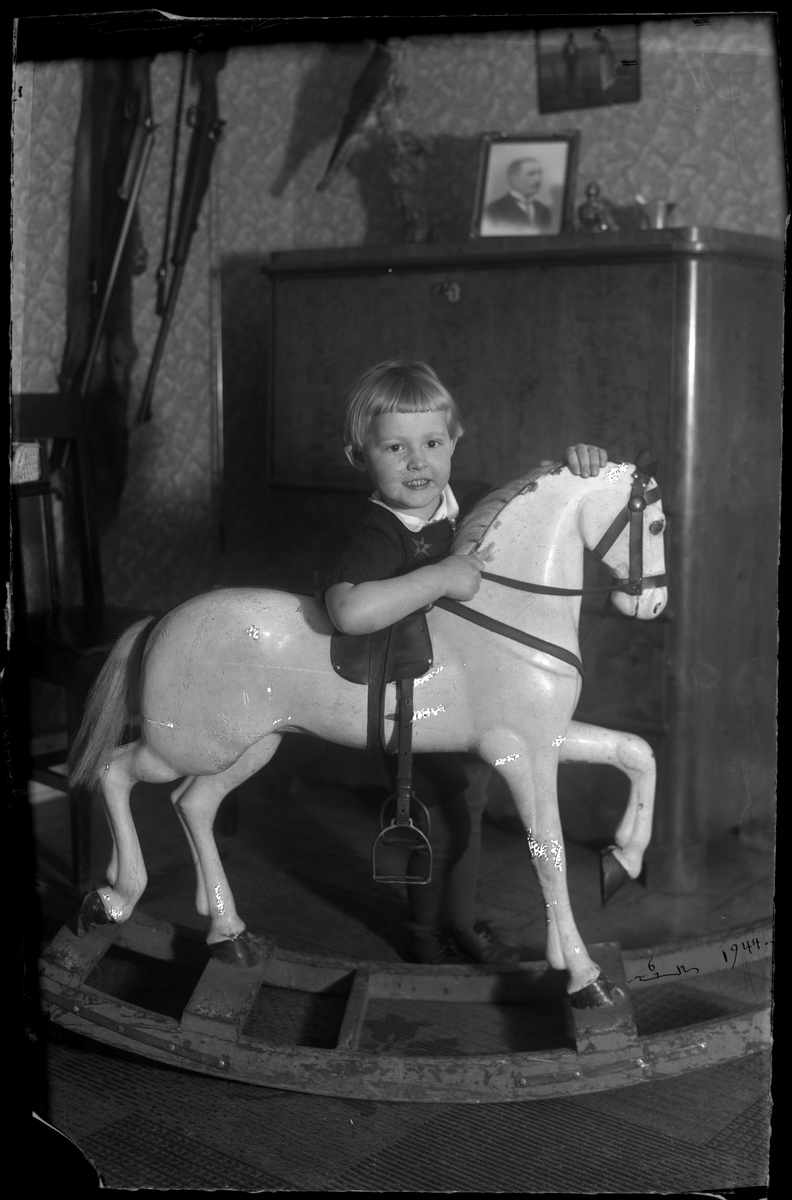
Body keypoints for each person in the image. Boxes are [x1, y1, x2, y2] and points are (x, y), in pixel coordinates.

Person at [318, 359, 607, 964]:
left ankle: (461, 925)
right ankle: (427, 936)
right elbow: (348, 610)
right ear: (358, 456)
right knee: (438, 818)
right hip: (409, 702)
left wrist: (577, 462)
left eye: (432, 443)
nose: (417, 462)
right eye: (395, 447)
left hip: (474, 695)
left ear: (455, 442)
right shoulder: (378, 533)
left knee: (467, 813)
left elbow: (541, 492)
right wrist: (440, 577)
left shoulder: (471, 502)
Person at [483, 158, 554, 235]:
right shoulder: (493, 210)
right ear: (513, 178)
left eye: (540, 174)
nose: (538, 179)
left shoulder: (543, 209)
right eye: (531, 174)